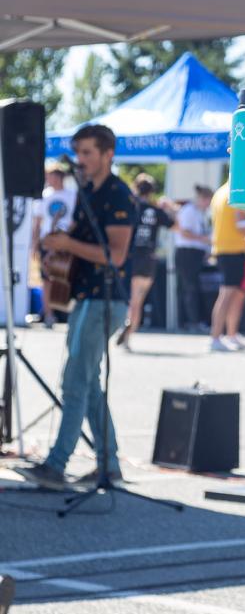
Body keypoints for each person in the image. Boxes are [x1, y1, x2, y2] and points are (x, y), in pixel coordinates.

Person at [16, 124, 134, 489]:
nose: (80, 160)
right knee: (88, 384)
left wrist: (68, 245)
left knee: (75, 382)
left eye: (87, 153)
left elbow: (116, 255)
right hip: (86, 296)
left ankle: (57, 465)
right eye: (78, 152)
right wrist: (59, 244)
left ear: (108, 154)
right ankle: (109, 465)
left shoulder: (118, 194)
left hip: (105, 298)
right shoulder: (87, 192)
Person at [117, 173, 175, 352]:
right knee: (138, 300)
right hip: (148, 258)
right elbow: (175, 225)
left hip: (132, 256)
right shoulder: (155, 210)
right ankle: (129, 333)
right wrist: (170, 207)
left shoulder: (131, 207)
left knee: (131, 299)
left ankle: (126, 329)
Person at [209, 181, 245, 352]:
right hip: (232, 250)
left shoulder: (220, 192)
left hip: (224, 249)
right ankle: (215, 337)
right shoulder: (238, 191)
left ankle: (231, 334)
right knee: (227, 294)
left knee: (234, 295)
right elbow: (241, 225)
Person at [32, 161, 76, 327]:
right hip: (48, 241)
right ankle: (48, 314)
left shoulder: (72, 195)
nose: (49, 180)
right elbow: (37, 223)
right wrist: (35, 244)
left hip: (66, 241)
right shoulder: (44, 195)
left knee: (66, 277)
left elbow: (76, 220)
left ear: (59, 177)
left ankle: (65, 312)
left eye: (51, 176)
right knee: (47, 278)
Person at [173, 185, 212, 332]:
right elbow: (184, 232)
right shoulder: (189, 210)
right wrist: (204, 239)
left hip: (195, 253)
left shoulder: (200, 212)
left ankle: (194, 320)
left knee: (192, 287)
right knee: (189, 287)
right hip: (187, 253)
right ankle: (191, 321)